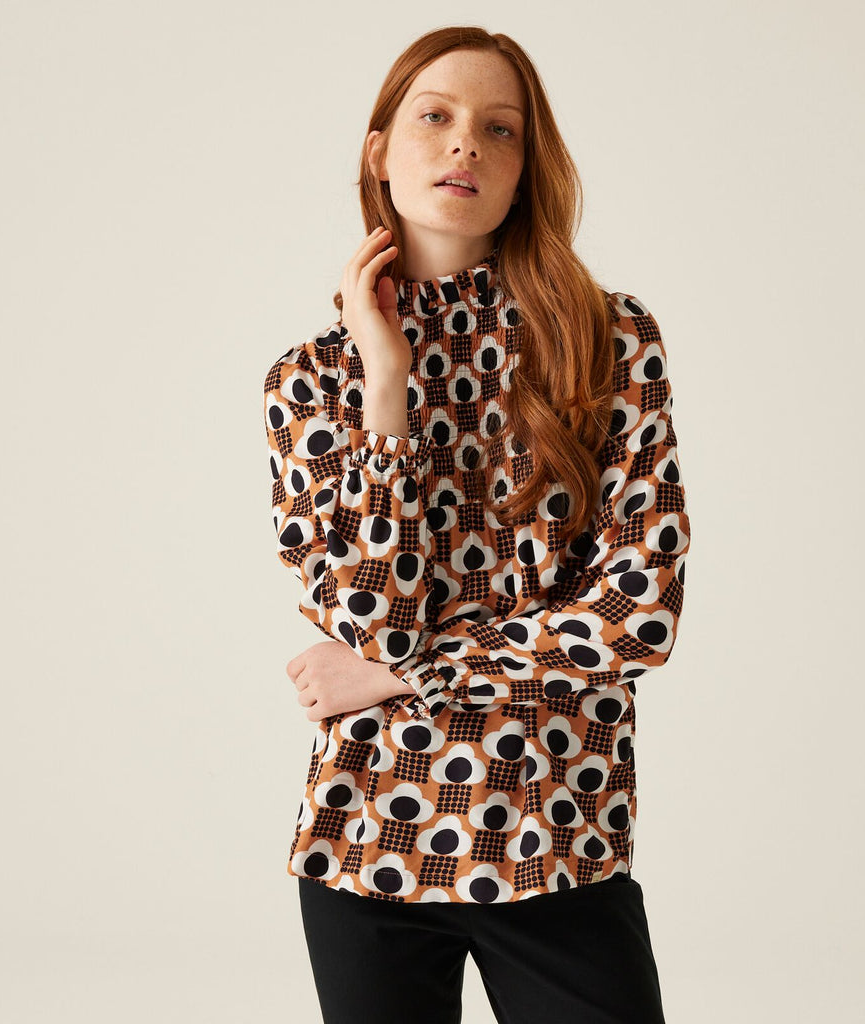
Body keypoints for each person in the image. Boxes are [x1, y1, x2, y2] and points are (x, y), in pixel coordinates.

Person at [262, 25, 690, 1024]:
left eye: (500, 129)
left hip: (557, 836)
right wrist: (386, 385)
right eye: (436, 116)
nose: (465, 143)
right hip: (369, 839)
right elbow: (373, 625)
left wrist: (403, 677)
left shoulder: (609, 340)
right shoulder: (310, 380)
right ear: (380, 151)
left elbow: (638, 617)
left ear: (525, 169)